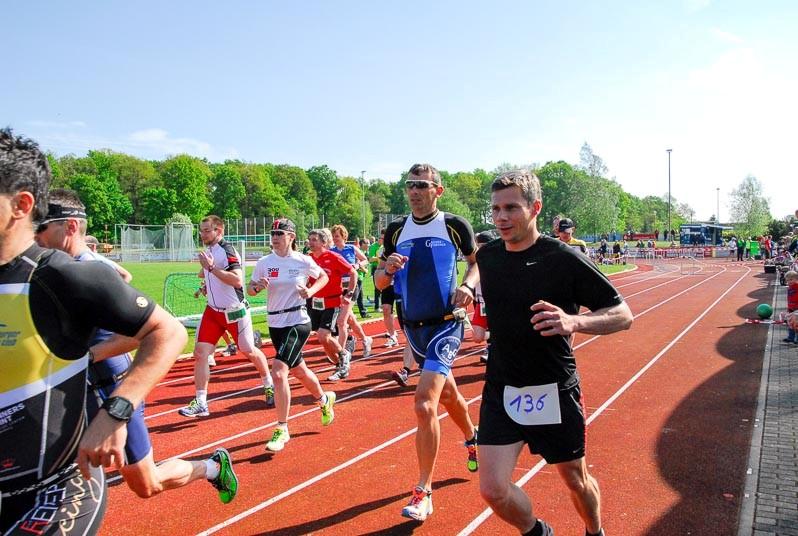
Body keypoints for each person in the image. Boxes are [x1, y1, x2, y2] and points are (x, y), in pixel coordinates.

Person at [0, 128, 190, 533]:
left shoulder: (61, 277)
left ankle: (208, 467)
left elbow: (169, 332)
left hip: (54, 491)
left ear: (21, 205)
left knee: (145, 482)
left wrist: (116, 412)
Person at [34, 188, 239, 504]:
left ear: (70, 227)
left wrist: (88, 356)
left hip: (110, 385)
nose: (34, 237)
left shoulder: (90, 270)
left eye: (41, 228)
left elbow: (146, 334)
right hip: (72, 387)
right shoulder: (50, 269)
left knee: (146, 483)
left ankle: (212, 467)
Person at [476, 169, 633, 536]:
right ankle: (536, 532)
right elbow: (474, 268)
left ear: (535, 208)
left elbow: (623, 315)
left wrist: (573, 322)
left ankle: (594, 531)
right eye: (496, 209)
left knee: (575, 480)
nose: (501, 217)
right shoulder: (489, 257)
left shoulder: (561, 257)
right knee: (493, 490)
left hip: (553, 389)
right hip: (502, 389)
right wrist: (467, 289)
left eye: (511, 208)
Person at [375, 163, 479, 522]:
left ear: (438, 190)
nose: (415, 191)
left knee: (424, 404)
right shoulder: (395, 230)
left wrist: (467, 286)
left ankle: (424, 491)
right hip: (413, 327)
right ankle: (473, 435)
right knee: (447, 394)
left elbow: (475, 263)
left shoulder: (454, 225)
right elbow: (379, 282)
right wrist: (387, 269)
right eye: (410, 185)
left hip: (447, 325)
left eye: (422, 185)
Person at [248, 218, 337, 452]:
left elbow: (324, 276)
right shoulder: (264, 263)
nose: (275, 237)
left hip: (298, 320)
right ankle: (324, 399)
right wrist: (258, 286)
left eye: (280, 233)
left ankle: (282, 428)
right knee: (299, 370)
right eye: (273, 233)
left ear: (291, 236)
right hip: (275, 323)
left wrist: (310, 291)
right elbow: (251, 288)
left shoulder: (302, 260)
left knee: (278, 372)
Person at [178, 215, 275, 417]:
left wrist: (211, 268)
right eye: (201, 230)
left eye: (207, 230)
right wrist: (206, 281)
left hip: (234, 312)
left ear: (219, 231)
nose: (203, 234)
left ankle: (269, 384)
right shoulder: (210, 250)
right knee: (200, 354)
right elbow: (207, 273)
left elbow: (237, 280)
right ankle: (201, 402)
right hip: (213, 311)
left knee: (248, 350)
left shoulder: (227, 250)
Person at [305, 227, 358, 380]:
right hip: (315, 302)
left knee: (323, 336)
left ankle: (343, 354)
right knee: (323, 339)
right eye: (309, 240)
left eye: (314, 240)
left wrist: (349, 293)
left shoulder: (333, 257)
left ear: (324, 242)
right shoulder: (308, 259)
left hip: (332, 302)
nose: (311, 243)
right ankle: (340, 365)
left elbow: (353, 272)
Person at [330, 224, 373, 357]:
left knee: (341, 321)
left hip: (352, 285)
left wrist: (357, 265)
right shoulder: (331, 251)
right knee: (350, 319)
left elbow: (365, 260)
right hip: (338, 287)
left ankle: (341, 354)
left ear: (344, 236)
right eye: (333, 236)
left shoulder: (351, 248)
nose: (335, 238)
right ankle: (365, 339)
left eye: (337, 236)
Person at [471, 231, 495, 364]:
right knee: (477, 337)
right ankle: (498, 338)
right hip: (481, 302)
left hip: (495, 301)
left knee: (496, 326)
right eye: (478, 246)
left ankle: (491, 348)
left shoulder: (498, 259)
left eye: (483, 246)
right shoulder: (474, 260)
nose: (480, 249)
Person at [369, 230, 384, 310]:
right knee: (377, 287)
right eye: (382, 238)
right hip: (376, 268)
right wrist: (379, 257)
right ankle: (377, 306)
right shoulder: (373, 246)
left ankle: (385, 305)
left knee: (385, 288)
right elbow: (370, 259)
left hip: (384, 267)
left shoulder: (385, 246)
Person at [783, 271, 798, 344]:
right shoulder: (789, 288)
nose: (789, 281)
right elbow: (789, 299)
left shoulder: (797, 287)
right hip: (791, 309)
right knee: (790, 323)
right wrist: (788, 308)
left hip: (797, 309)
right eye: (788, 280)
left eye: (791, 279)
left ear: (796, 279)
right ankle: (791, 338)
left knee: (796, 324)